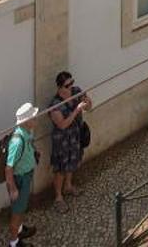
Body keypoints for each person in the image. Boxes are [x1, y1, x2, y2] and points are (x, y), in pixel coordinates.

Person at [46, 69, 91, 208]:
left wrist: (87, 102)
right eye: (67, 85)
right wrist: (77, 110)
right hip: (62, 139)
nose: (71, 86)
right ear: (59, 87)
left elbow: (89, 107)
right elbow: (63, 124)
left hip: (76, 135)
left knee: (73, 162)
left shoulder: (76, 91)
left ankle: (69, 186)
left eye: (72, 82)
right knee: (60, 168)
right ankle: (58, 197)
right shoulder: (55, 105)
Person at [3, 102, 41, 244]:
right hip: (20, 180)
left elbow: (29, 145)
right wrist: (13, 189)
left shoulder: (26, 132)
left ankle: (19, 231)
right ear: (26, 121)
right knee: (17, 213)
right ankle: (14, 242)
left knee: (21, 208)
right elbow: (9, 168)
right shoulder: (17, 141)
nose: (36, 120)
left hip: (25, 176)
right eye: (33, 117)